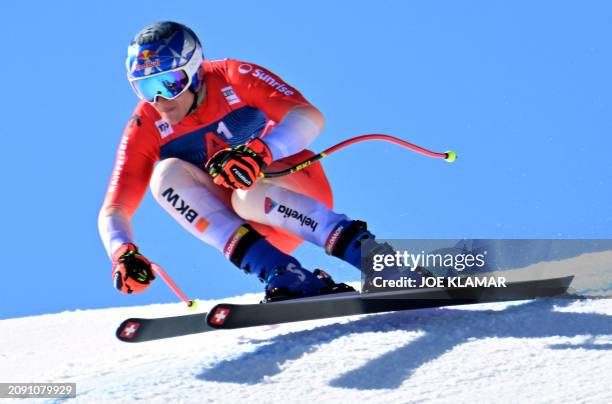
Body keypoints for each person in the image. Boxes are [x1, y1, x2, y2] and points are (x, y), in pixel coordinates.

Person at [98, 21, 418, 301]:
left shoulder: (232, 76)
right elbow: (115, 207)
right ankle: (285, 274)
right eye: (145, 88)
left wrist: (260, 152)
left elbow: (308, 116)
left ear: (195, 72)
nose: (160, 101)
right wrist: (121, 251)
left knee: (246, 192)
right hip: (256, 230)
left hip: (295, 189)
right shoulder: (147, 124)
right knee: (164, 176)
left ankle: (377, 262)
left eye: (169, 84)